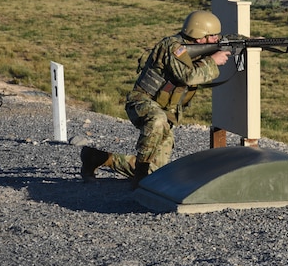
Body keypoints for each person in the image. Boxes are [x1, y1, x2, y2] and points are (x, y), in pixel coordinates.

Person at [80, 11, 231, 186]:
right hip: (142, 101)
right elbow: (188, 76)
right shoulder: (173, 47)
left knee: (157, 172)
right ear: (199, 38)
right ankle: (140, 178)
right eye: (212, 36)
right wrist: (212, 61)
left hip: (164, 109)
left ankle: (98, 158)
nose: (217, 39)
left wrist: (250, 40)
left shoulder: (199, 44)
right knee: (157, 120)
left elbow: (228, 39)